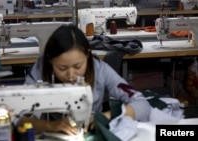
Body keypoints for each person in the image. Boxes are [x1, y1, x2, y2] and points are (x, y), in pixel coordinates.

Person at [21, 24, 151, 135]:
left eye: (78, 66)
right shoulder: (40, 70)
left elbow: (141, 104)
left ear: (88, 55)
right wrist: (51, 125)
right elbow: (18, 117)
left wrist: (104, 117)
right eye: (62, 68)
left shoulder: (100, 70)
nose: (71, 75)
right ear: (50, 61)